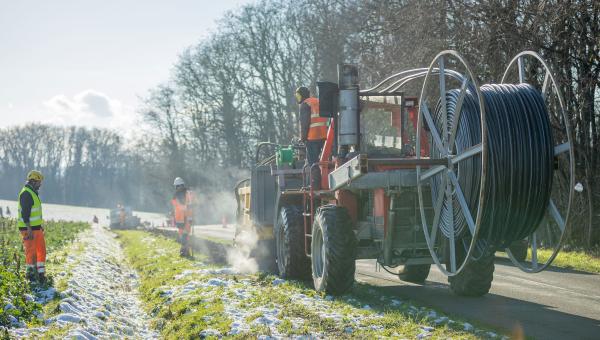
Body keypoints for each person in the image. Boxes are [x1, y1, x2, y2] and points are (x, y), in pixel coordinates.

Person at [17, 170, 47, 283]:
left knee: (41, 250)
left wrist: (39, 226)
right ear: (33, 181)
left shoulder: (32, 192)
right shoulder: (26, 193)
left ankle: (40, 273)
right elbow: (25, 213)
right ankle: (30, 275)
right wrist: (29, 228)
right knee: (31, 252)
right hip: (28, 229)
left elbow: (35, 213)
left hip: (35, 228)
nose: (40, 184)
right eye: (39, 182)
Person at [296, 86, 328, 188]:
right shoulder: (317, 101)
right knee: (325, 159)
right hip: (324, 135)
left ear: (301, 95)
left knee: (313, 162)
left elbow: (305, 124)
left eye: (297, 95)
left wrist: (302, 138)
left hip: (312, 137)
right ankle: (327, 181)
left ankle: (316, 184)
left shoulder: (304, 105)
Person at [171, 177, 195, 257]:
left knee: (184, 235)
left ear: (177, 186)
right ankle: (185, 251)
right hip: (184, 218)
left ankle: (184, 251)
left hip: (184, 218)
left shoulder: (180, 194)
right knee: (184, 236)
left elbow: (178, 206)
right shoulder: (187, 193)